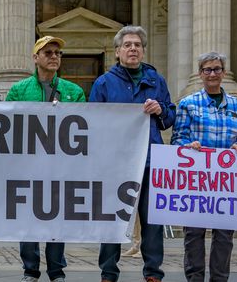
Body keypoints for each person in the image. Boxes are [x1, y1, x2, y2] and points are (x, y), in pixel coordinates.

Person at [89, 25, 175, 282]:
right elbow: (93, 122)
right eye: (127, 45)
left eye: (137, 45)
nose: (133, 49)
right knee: (114, 221)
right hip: (116, 165)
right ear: (117, 52)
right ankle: (108, 272)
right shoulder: (104, 83)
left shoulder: (157, 81)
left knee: (152, 222)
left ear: (143, 50)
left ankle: (153, 273)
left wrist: (160, 110)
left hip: (150, 160)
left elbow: (170, 117)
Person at [6, 35, 85, 282]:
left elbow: (86, 128)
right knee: (27, 219)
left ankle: (56, 270)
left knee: (56, 220)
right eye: (48, 52)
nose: (54, 57)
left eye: (58, 53)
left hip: (60, 168)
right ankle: (30, 269)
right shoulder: (19, 90)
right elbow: (7, 125)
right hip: (27, 168)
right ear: (35, 58)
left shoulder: (74, 91)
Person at [171, 52, 237, 282]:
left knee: (225, 236)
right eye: (207, 70)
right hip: (197, 182)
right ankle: (195, 278)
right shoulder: (188, 104)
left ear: (223, 73)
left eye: (217, 69)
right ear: (200, 74)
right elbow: (177, 139)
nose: (212, 74)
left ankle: (219, 278)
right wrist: (189, 145)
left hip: (226, 184)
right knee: (194, 235)